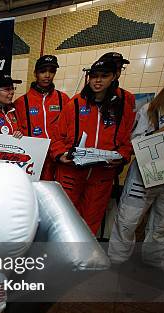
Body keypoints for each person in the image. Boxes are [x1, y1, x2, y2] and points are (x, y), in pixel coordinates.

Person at [50, 60, 133, 234]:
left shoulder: (121, 107)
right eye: (94, 76)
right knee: (65, 220)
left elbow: (126, 142)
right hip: (71, 174)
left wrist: (121, 158)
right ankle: (62, 257)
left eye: (104, 76)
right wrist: (60, 155)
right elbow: (56, 137)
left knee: (90, 223)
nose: (98, 81)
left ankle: (84, 259)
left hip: (101, 176)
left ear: (113, 77)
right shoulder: (73, 105)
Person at [108, 65, 164, 269]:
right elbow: (132, 142)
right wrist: (160, 133)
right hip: (145, 176)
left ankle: (155, 263)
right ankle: (117, 261)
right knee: (128, 220)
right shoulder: (151, 109)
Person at [15, 55, 70, 180]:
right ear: (35, 73)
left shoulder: (63, 99)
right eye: (43, 71)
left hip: (57, 158)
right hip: (32, 158)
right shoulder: (21, 102)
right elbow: (16, 130)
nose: (47, 75)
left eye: (51, 71)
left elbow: (70, 129)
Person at [97, 52, 136, 129]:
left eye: (119, 68)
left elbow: (130, 127)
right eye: (113, 68)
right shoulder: (82, 99)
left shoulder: (128, 98)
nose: (117, 72)